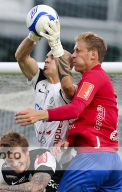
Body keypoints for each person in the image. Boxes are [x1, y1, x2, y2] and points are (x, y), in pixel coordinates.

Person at [15, 20, 122, 192]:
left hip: (86, 159)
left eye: (77, 51)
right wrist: (71, 138)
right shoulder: (46, 82)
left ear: (93, 54)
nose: (74, 55)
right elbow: (91, 118)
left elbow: (75, 109)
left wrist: (39, 115)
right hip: (108, 158)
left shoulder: (82, 82)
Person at [14, 30, 76, 166]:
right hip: (44, 156)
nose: (47, 59)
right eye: (47, 56)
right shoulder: (40, 81)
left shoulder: (70, 90)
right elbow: (21, 57)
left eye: (53, 57)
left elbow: (68, 88)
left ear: (67, 66)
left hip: (64, 163)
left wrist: (56, 46)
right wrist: (33, 36)